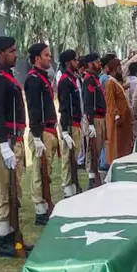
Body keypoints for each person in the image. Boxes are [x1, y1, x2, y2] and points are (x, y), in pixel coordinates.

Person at [0, 36, 27, 258]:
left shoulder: (7, 76)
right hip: (3, 140)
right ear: (0, 53)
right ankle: (4, 239)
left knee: (14, 189)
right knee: (3, 190)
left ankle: (12, 234)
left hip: (13, 139)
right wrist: (3, 144)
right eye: (11, 51)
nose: (15, 54)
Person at [24, 43, 59, 226]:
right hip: (42, 131)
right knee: (39, 171)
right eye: (46, 55)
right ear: (37, 58)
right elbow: (34, 109)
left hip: (49, 130)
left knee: (47, 170)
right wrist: (37, 136)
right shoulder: (33, 79)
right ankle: (40, 209)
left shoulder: (42, 77)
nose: (49, 58)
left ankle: (45, 203)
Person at [57, 49, 81, 198]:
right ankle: (67, 189)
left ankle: (73, 186)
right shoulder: (65, 81)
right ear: (67, 63)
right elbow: (64, 106)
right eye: (74, 60)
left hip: (76, 122)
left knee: (74, 157)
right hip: (69, 123)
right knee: (68, 158)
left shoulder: (72, 79)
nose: (77, 62)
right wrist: (65, 130)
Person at [82, 53, 108, 187]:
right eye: (97, 62)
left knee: (98, 149)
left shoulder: (95, 78)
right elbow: (88, 102)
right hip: (95, 119)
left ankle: (95, 177)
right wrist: (91, 122)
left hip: (100, 118)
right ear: (91, 64)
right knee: (92, 150)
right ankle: (92, 179)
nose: (100, 64)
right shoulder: (89, 80)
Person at [103, 58, 134, 164]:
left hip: (124, 120)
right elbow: (110, 103)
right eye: (120, 69)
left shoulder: (115, 82)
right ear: (115, 69)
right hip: (117, 121)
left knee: (124, 145)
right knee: (116, 146)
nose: (121, 71)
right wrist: (116, 116)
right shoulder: (110, 83)